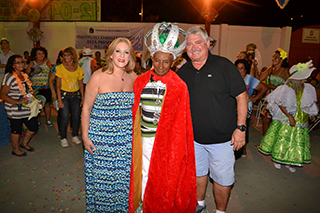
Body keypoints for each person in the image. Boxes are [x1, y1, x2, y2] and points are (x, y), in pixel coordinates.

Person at [177, 26, 248, 213]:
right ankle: (199, 203)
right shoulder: (183, 72)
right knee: (198, 174)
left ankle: (220, 211)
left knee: (222, 179)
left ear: (208, 43)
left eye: (198, 42)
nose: (193, 48)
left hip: (223, 139)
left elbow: (241, 96)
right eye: (189, 44)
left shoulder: (224, 66)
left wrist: (241, 128)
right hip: (193, 139)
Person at [129, 22, 197, 213]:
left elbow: (182, 122)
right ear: (151, 58)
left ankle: (158, 206)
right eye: (157, 60)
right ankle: (143, 204)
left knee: (161, 177)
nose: (160, 65)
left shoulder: (179, 85)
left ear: (173, 62)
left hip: (165, 143)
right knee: (142, 173)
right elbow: (134, 111)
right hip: (142, 138)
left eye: (165, 61)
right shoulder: (140, 82)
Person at [82, 38, 136, 212]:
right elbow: (86, 109)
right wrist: (84, 136)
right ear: (111, 54)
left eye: (126, 52)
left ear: (130, 56)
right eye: (118, 51)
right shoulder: (99, 76)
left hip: (126, 141)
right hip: (101, 140)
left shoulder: (134, 77)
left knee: (123, 182)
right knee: (103, 184)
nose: (122, 55)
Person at [258, 60, 318, 172]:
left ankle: (291, 162)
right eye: (304, 77)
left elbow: (309, 103)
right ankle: (278, 159)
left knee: (296, 141)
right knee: (283, 140)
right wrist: (289, 116)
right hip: (286, 118)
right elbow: (281, 104)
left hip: (301, 120)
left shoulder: (308, 88)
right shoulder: (286, 88)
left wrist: (312, 114)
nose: (306, 79)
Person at [0, 54, 41, 156]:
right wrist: (18, 102)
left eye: (22, 62)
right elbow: (3, 95)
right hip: (14, 108)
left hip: (27, 108)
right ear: (13, 65)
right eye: (17, 62)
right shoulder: (9, 77)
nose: (20, 64)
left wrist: (36, 99)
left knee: (33, 127)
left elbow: (30, 91)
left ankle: (24, 143)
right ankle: (16, 149)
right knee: (16, 130)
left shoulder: (25, 76)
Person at [235, 59, 267, 157]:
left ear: (246, 70)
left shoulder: (249, 79)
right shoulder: (234, 78)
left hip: (245, 108)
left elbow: (264, 88)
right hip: (233, 108)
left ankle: (243, 149)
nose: (239, 70)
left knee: (243, 127)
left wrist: (255, 98)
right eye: (237, 68)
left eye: (242, 68)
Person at [256, 48, 290, 134]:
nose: (273, 59)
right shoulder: (270, 69)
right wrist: (255, 67)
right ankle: (265, 142)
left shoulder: (284, 71)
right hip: (269, 98)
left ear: (282, 60)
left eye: (276, 57)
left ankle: (271, 143)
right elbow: (259, 79)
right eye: (273, 57)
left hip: (279, 100)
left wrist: (274, 87)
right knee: (265, 120)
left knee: (275, 122)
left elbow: (289, 86)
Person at [56, 46, 84, 147]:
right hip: (65, 96)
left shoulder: (79, 69)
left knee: (76, 117)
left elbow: (81, 84)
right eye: (64, 55)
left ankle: (75, 135)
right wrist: (59, 100)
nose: (66, 57)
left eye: (68, 55)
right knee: (64, 117)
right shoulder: (59, 68)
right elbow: (58, 85)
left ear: (73, 56)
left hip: (76, 96)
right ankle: (63, 137)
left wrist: (83, 98)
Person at [26, 46, 53, 127]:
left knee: (47, 104)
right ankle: (37, 120)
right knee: (37, 104)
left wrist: (49, 65)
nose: (41, 55)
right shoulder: (32, 63)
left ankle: (48, 120)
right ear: (35, 55)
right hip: (35, 88)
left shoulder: (47, 62)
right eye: (39, 54)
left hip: (46, 87)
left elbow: (53, 72)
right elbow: (26, 74)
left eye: (42, 53)